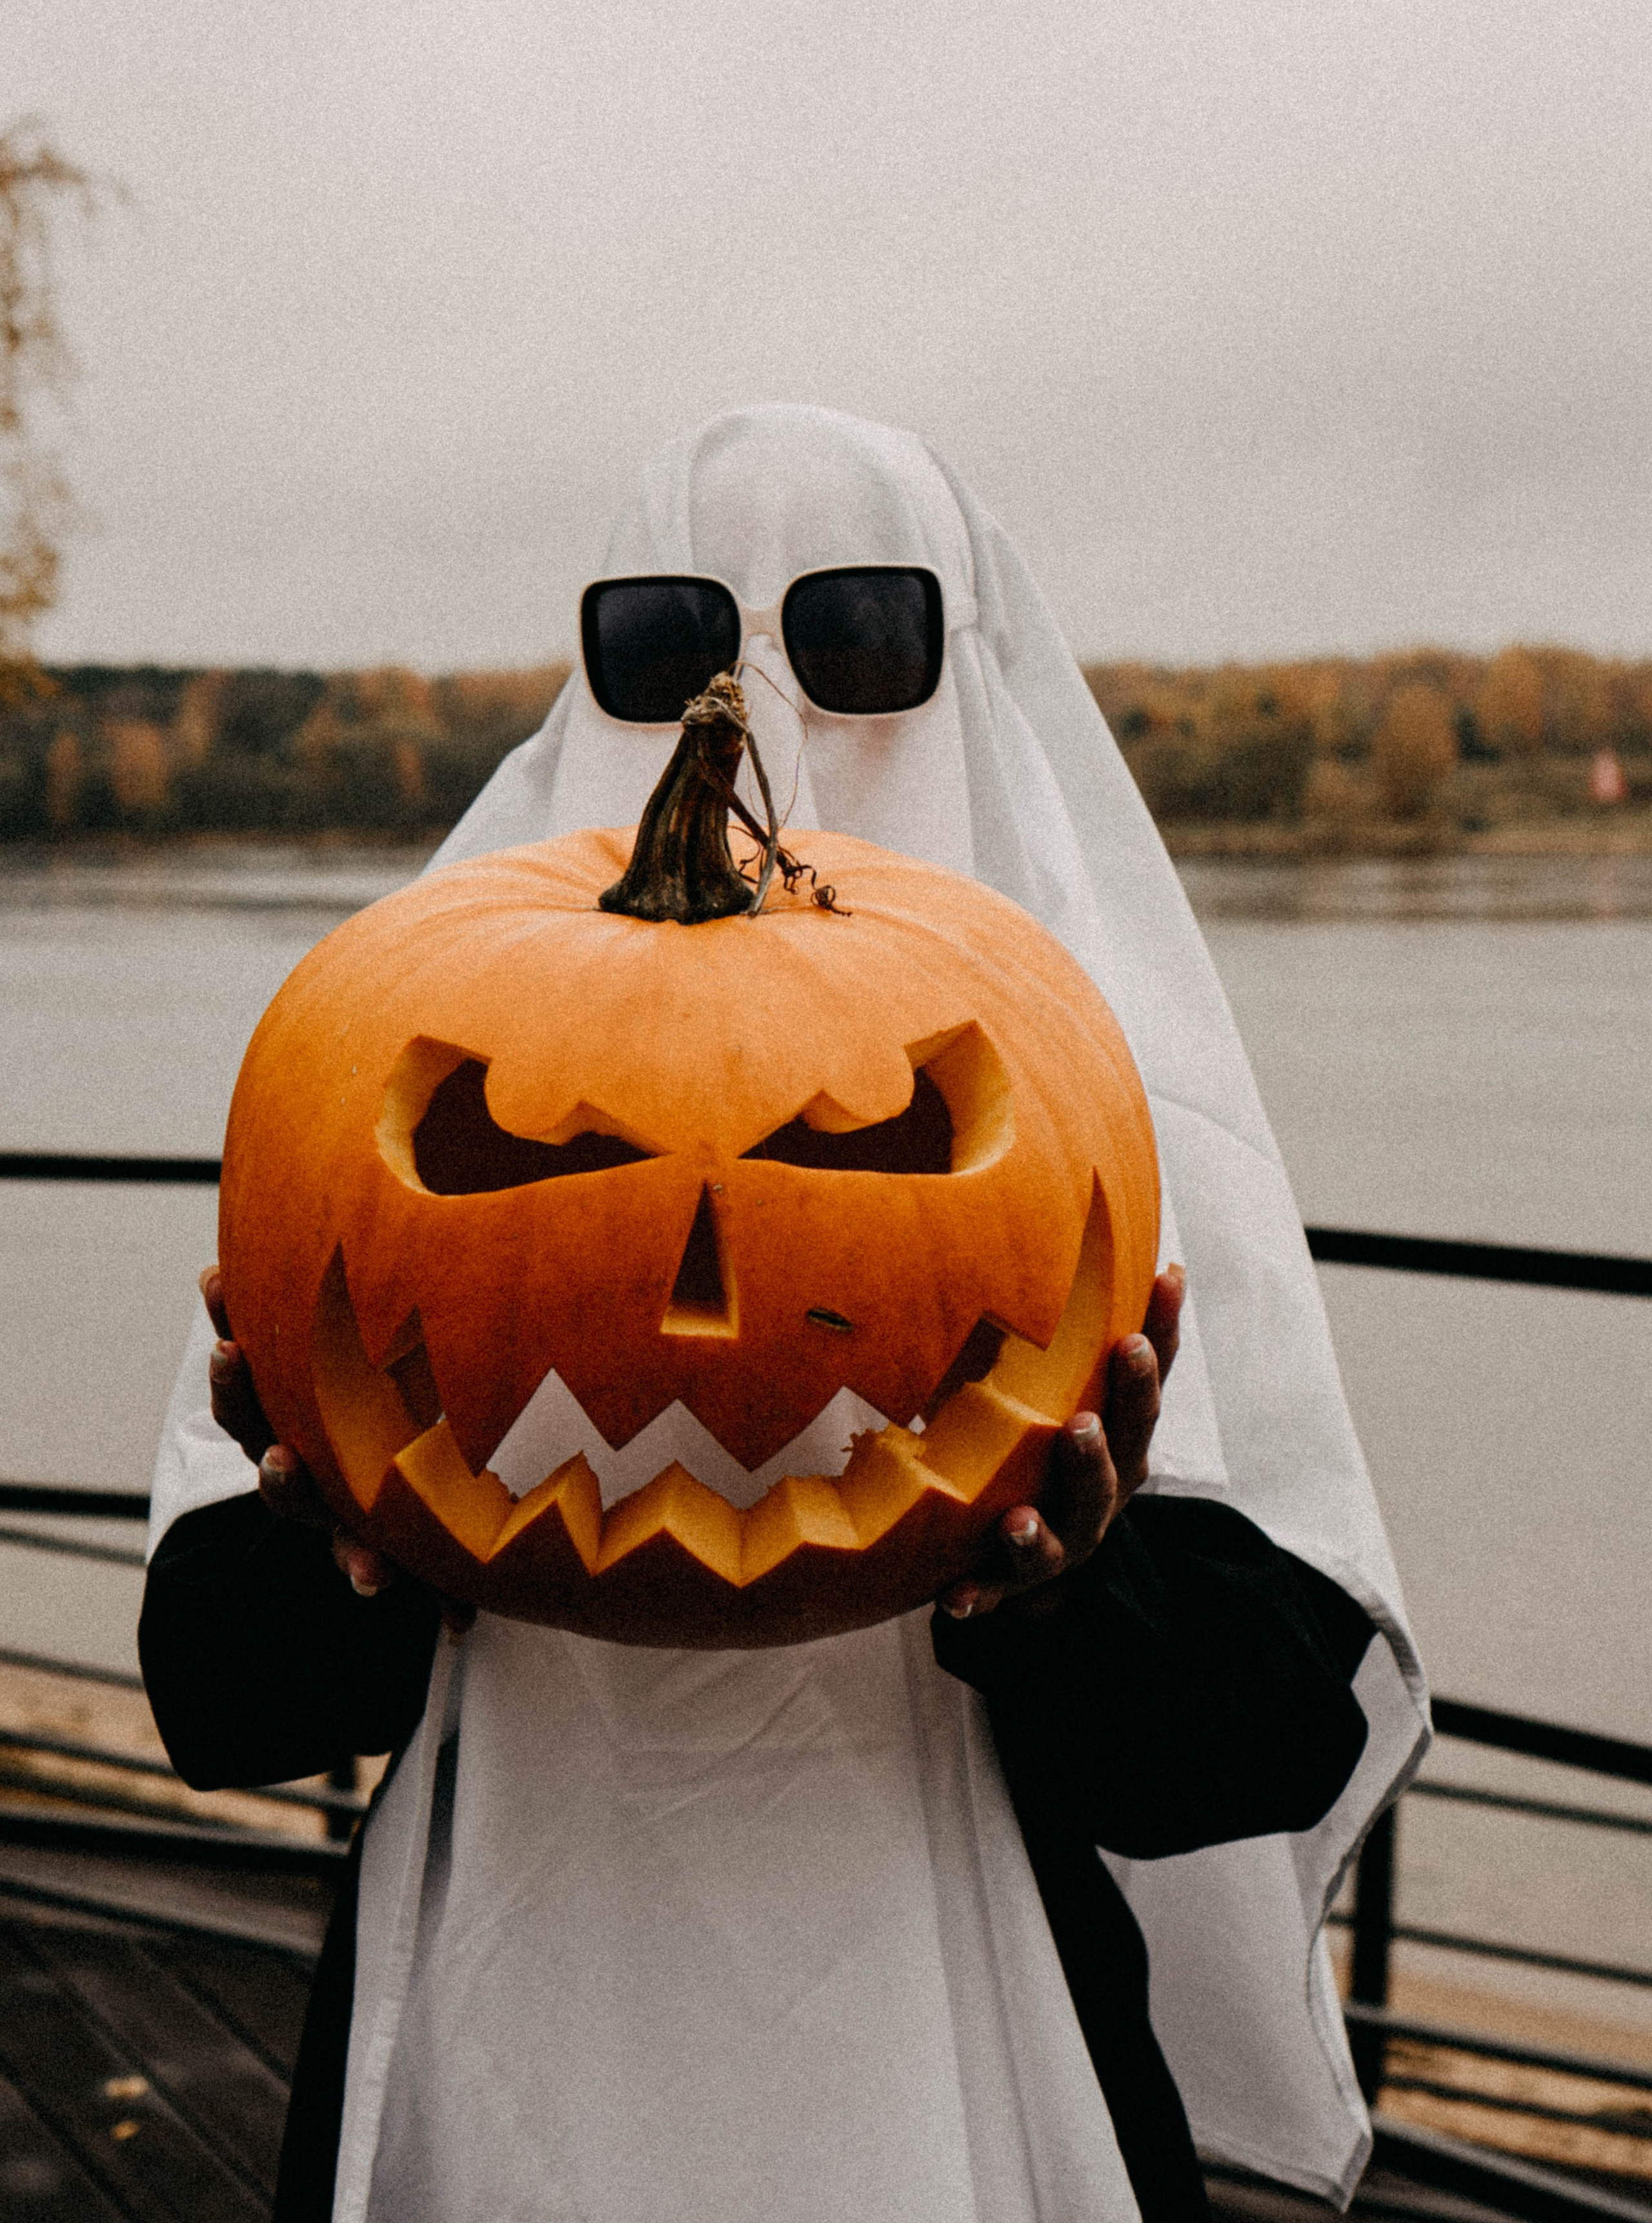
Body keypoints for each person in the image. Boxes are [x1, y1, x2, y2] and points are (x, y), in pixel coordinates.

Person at [141, 405, 1428, 2223]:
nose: (750, 712)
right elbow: (218, 1702)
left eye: (854, 636)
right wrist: (335, 1534)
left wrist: (1079, 1587)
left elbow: (1258, 1746)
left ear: (959, 661)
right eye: (670, 639)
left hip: (964, 2025)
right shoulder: (409, 1063)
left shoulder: (1099, 1094)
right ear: (593, 667)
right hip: (510, 2002)